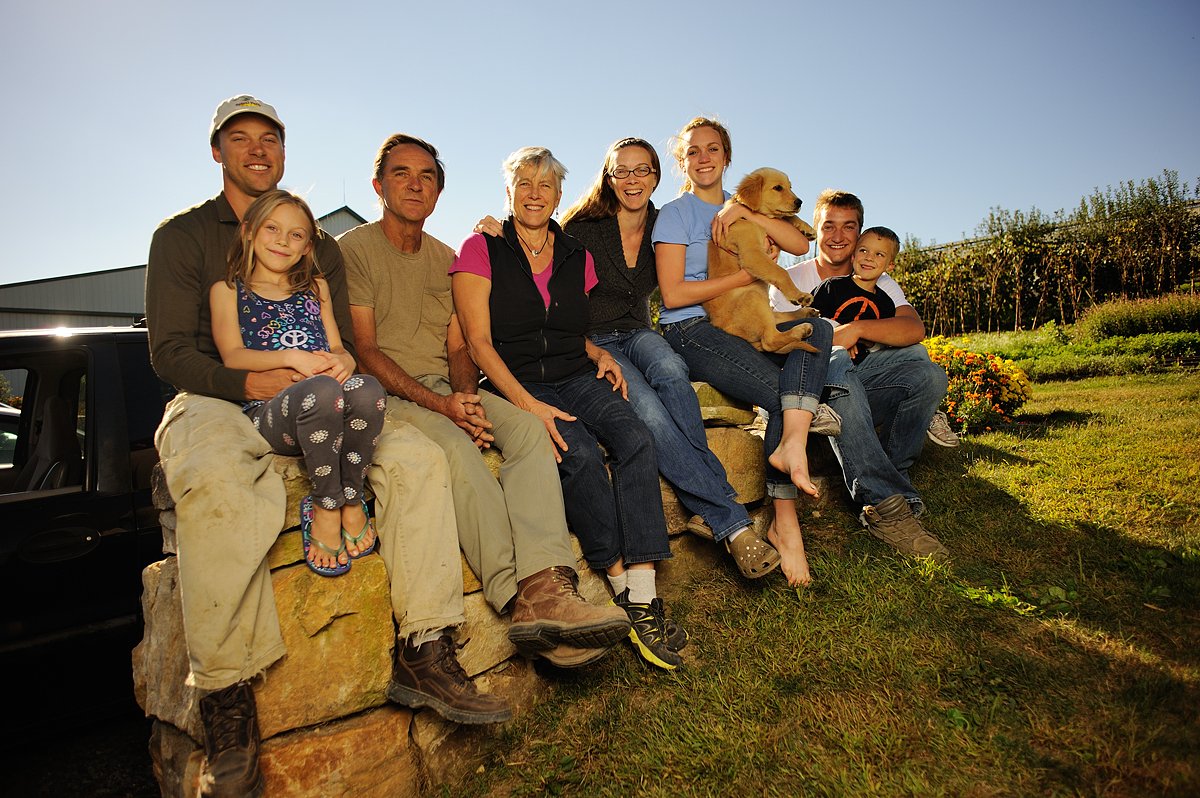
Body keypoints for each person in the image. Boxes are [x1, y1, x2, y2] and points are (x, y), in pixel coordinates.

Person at [145, 95, 508, 798]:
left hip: (315, 388)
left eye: (270, 139)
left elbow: (337, 342)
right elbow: (168, 353)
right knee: (217, 484)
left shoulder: (319, 245)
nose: (257, 149)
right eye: (240, 138)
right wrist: (249, 381)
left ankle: (426, 647)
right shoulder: (184, 237)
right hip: (219, 393)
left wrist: (328, 376)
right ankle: (227, 704)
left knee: (416, 458)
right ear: (216, 150)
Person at [341, 134, 630, 669]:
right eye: (401, 174)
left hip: (446, 388)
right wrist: (445, 406)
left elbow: (459, 343)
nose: (415, 185)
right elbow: (365, 351)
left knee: (527, 429)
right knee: (455, 448)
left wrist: (467, 397)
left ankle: (550, 586)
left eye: (427, 176)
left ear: (438, 193)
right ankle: (517, 599)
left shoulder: (448, 257)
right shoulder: (352, 251)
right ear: (377, 184)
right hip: (385, 392)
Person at [452, 146, 686, 671]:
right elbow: (479, 342)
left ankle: (642, 596)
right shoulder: (480, 249)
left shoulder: (576, 255)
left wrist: (598, 350)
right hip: (514, 381)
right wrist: (528, 405)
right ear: (508, 193)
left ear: (560, 195)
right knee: (577, 453)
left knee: (635, 439)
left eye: (546, 186)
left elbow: (569, 329)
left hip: (574, 374)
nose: (535, 194)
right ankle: (620, 580)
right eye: (524, 185)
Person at [556, 137, 770, 580]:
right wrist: (495, 228)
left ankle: (709, 502)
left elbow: (708, 250)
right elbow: (542, 264)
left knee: (673, 371)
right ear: (609, 177)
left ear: (656, 176)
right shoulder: (582, 225)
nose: (632, 180)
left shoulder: (663, 221)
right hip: (595, 340)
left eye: (642, 170)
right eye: (622, 171)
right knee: (649, 410)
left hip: (638, 331)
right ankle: (729, 520)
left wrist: (746, 228)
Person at [653, 117, 835, 588]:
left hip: (748, 317)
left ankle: (790, 453)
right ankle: (785, 520)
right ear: (682, 162)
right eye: (692, 151)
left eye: (713, 149)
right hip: (691, 328)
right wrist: (747, 276)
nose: (704, 157)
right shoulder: (675, 214)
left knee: (817, 327)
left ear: (727, 157)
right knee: (783, 394)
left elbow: (800, 241)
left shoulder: (748, 205)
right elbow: (672, 295)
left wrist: (749, 215)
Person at [210, 189, 386, 577]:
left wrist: (343, 360)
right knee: (320, 392)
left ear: (308, 247)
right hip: (274, 414)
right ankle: (325, 504)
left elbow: (339, 346)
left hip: (332, 402)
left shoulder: (316, 288)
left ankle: (352, 497)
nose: (283, 241)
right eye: (272, 229)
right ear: (249, 233)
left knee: (369, 388)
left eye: (296, 235)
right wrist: (291, 357)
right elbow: (233, 357)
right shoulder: (229, 289)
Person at [770, 190, 952, 561]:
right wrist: (837, 337)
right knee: (838, 366)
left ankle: (890, 472)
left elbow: (912, 329)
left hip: (863, 373)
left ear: (859, 234)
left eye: (848, 227)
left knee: (928, 373)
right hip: (812, 387)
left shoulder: (876, 277)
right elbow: (784, 341)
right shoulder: (790, 280)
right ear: (814, 231)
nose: (838, 236)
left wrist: (857, 330)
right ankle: (886, 505)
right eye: (829, 226)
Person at [809, 225, 902, 365]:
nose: (869, 258)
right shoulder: (832, 286)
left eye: (879, 254)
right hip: (825, 359)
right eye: (863, 250)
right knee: (840, 358)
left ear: (890, 265)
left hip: (864, 367)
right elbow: (810, 318)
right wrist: (844, 338)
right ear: (853, 256)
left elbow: (880, 345)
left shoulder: (886, 303)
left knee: (916, 352)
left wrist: (865, 340)